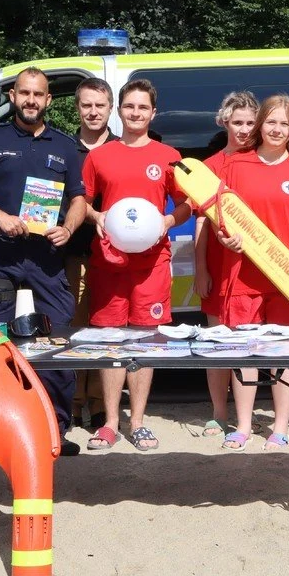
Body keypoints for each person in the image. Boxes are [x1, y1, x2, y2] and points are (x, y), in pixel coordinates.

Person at [0, 69, 87, 454]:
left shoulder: (65, 145)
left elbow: (79, 199)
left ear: (48, 100)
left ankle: (55, 431)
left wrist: (68, 227)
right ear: (13, 96)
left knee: (57, 341)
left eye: (38, 94)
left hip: (47, 259)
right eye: (25, 93)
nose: (31, 100)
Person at [82, 79, 190, 452]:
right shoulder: (99, 156)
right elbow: (83, 202)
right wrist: (97, 216)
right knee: (111, 340)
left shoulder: (168, 155)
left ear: (153, 113)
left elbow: (186, 204)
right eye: (129, 106)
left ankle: (138, 422)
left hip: (152, 262)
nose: (135, 113)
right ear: (119, 110)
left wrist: (168, 220)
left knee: (146, 339)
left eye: (143, 107)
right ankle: (111, 423)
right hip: (109, 261)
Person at [211, 94, 289, 451]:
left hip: (286, 279)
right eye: (271, 122)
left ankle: (280, 426)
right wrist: (224, 237)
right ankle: (244, 426)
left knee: (284, 351)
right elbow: (218, 216)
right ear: (261, 125)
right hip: (242, 277)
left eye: (284, 123)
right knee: (243, 351)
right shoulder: (235, 164)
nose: (277, 129)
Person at [194, 90, 258, 438]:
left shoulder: (264, 161)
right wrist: (201, 268)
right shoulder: (210, 166)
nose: (244, 129)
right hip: (219, 267)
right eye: (238, 122)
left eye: (250, 123)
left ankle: (247, 417)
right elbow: (201, 221)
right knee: (217, 343)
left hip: (255, 270)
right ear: (224, 122)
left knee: (249, 345)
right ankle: (219, 413)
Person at [67, 77, 118, 431]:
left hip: (115, 258)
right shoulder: (63, 147)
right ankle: (72, 402)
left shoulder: (122, 147)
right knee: (74, 330)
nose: (93, 111)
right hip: (72, 254)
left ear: (110, 108)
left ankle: (100, 404)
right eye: (86, 105)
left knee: (106, 331)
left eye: (100, 105)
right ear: (77, 108)